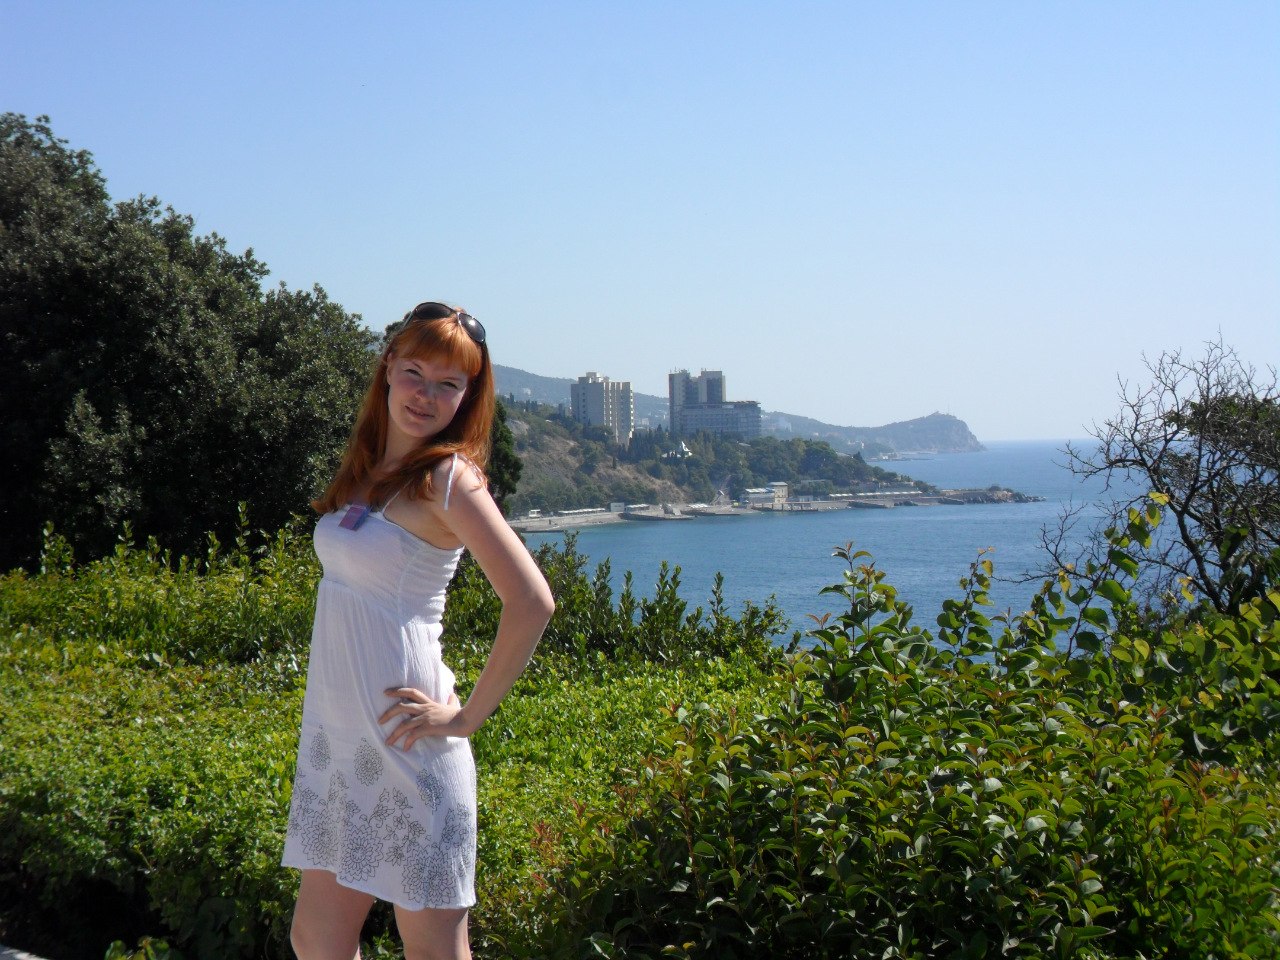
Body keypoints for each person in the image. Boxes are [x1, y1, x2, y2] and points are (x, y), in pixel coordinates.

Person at [282, 301, 555, 960]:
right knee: (316, 938)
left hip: (410, 749)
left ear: (467, 397)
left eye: (447, 383)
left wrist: (465, 718)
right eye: (415, 373)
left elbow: (532, 601)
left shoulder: (447, 479)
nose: (425, 395)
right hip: (342, 744)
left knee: (432, 949)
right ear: (388, 369)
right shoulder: (367, 471)